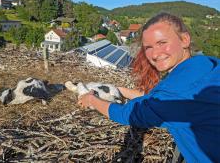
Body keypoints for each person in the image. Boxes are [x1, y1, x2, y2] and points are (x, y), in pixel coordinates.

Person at [77, 12, 220, 163]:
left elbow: (127, 114)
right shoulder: (207, 64)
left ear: (185, 39)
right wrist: (119, 89)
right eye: (148, 47)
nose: (155, 54)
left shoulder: (172, 92)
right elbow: (156, 99)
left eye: (162, 43)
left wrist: (92, 100)